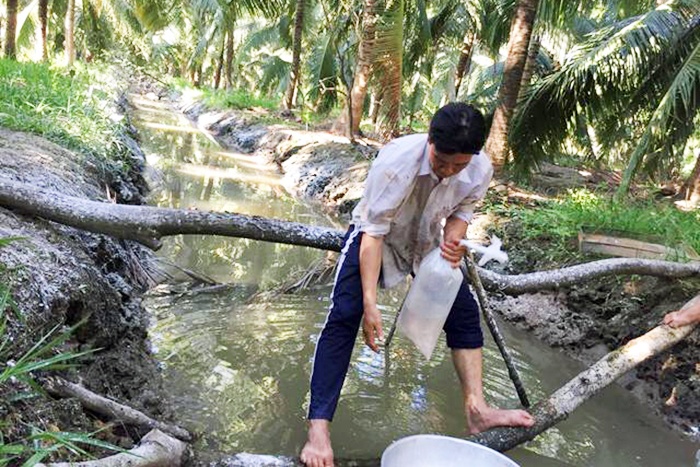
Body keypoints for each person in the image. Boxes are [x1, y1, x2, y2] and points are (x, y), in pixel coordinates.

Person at [300, 102, 535, 467]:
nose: (448, 171)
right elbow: (373, 235)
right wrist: (371, 304)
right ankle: (318, 431)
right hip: (378, 237)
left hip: (427, 241)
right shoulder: (396, 164)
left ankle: (477, 409)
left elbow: (462, 212)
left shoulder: (479, 169)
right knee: (345, 315)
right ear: (429, 141)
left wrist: (453, 242)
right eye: (442, 162)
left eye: (459, 165)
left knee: (464, 313)